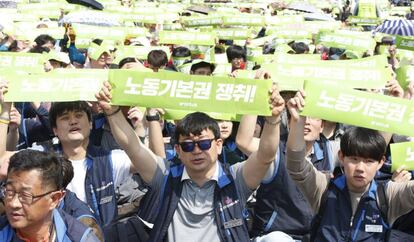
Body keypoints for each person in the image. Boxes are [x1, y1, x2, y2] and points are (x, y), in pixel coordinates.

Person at [95, 70, 285, 241]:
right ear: (177, 150)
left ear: (218, 145)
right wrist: (113, 113)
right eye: (187, 145)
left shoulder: (235, 179)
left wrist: (273, 119)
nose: (196, 151)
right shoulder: (166, 176)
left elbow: (265, 156)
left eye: (204, 143)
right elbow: (133, 147)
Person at [0, 82, 142, 227]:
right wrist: (5, 112)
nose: (73, 121)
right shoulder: (41, 157)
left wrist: (142, 126)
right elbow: (1, 162)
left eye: (79, 115)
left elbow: (153, 165)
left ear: (91, 123)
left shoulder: (109, 160)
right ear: (55, 129)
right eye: (65, 117)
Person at [285, 90, 414, 241]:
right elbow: (296, 165)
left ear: (380, 163)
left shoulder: (389, 196)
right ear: (341, 157)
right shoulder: (323, 188)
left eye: (369, 162)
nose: (360, 168)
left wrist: (393, 107)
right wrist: (297, 121)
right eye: (354, 159)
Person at [0, 150, 99, 242]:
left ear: (54, 199)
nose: (13, 204)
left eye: (25, 195)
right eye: (9, 192)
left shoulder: (80, 238)